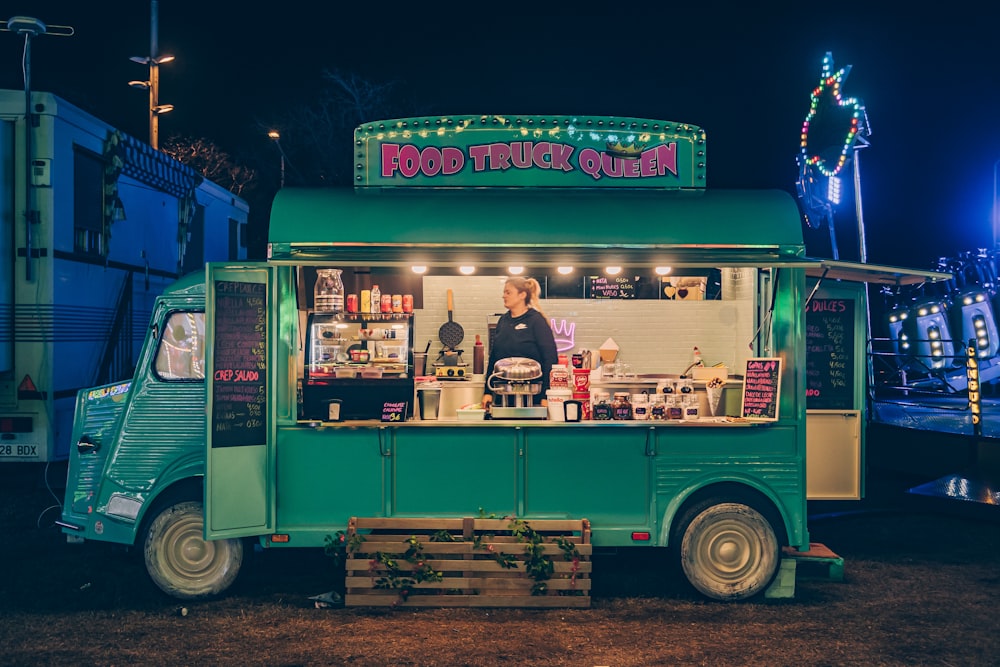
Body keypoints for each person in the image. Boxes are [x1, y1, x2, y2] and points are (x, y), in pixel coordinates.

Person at [482, 277, 559, 409]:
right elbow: (494, 357)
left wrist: (546, 395)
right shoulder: (503, 321)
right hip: (503, 395)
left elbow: (550, 359)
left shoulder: (536, 320)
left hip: (533, 397)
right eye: (504, 292)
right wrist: (487, 392)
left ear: (522, 295)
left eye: (508, 292)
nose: (503, 296)